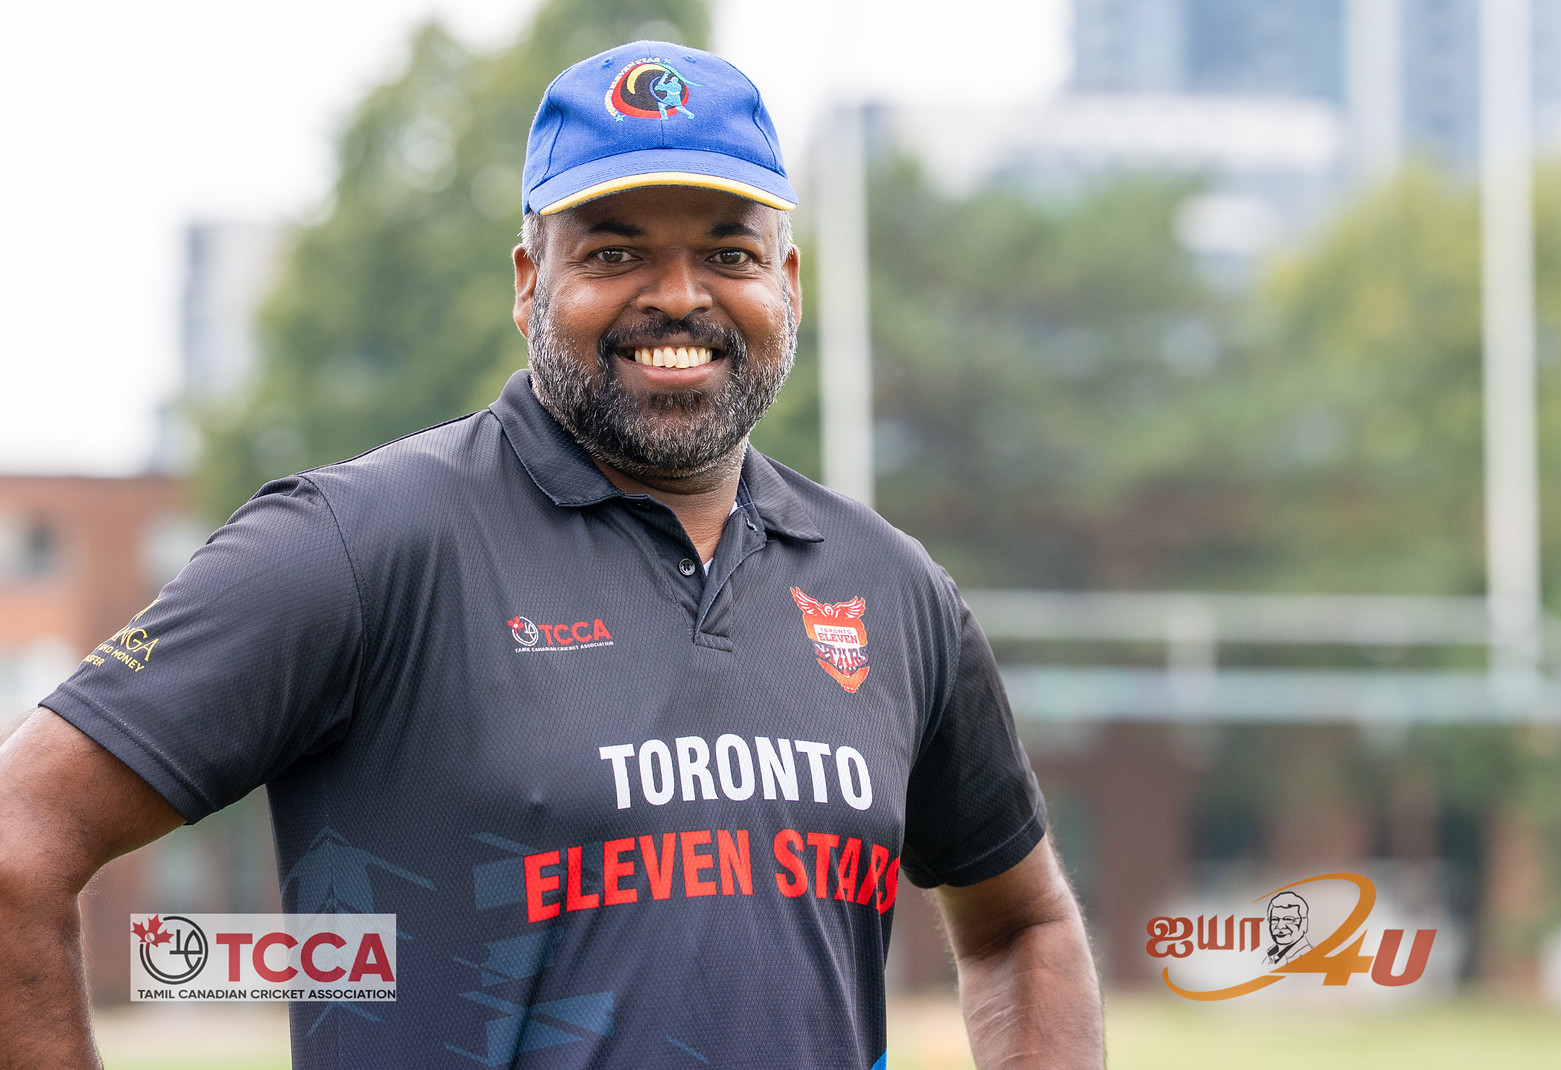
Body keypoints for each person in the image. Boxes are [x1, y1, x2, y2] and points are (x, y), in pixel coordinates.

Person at [0, 40, 1102, 1069]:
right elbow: (18, 840)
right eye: (615, 251)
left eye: (729, 252)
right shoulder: (361, 543)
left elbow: (1023, 927)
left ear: (789, 285)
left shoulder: (891, 587)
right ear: (530, 280)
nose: (679, 296)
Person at [1263, 890, 1313, 966]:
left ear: (1304, 923)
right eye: (1274, 919)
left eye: (1288, 919)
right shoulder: (1269, 956)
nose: (1280, 926)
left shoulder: (1310, 958)